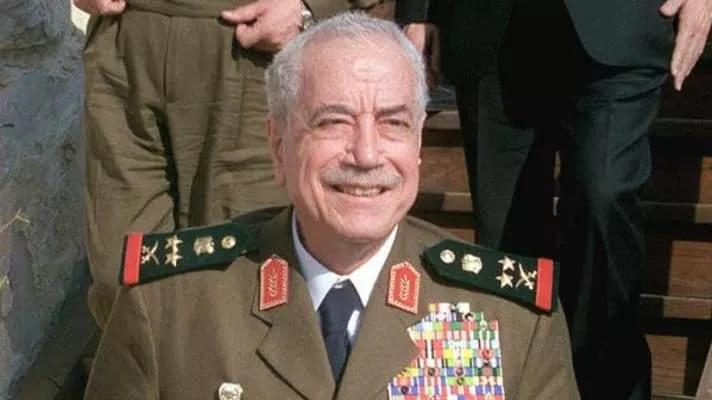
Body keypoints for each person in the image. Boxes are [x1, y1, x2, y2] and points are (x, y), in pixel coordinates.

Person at [84, 12, 580, 399]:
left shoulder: (509, 320)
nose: (366, 154)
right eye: (333, 122)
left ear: (419, 143)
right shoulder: (168, 308)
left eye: (393, 123)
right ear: (278, 145)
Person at [395, 0, 712, 399]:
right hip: (490, 29)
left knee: (603, 198)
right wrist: (418, 8)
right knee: (506, 245)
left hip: (622, 25)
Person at [74, 0, 391, 328]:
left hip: (252, 45)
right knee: (122, 280)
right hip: (127, 35)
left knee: (251, 278)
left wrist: (310, 6)